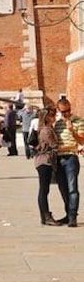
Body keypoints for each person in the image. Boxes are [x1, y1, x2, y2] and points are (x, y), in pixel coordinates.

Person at [54, 97, 84, 227]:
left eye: (68, 111)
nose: (66, 113)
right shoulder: (58, 123)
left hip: (71, 158)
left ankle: (73, 216)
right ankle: (67, 213)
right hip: (58, 159)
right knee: (62, 188)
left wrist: (72, 131)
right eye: (63, 111)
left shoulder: (78, 121)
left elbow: (81, 140)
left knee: (72, 188)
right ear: (59, 110)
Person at [33, 107, 63, 226]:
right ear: (47, 117)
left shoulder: (47, 128)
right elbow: (54, 145)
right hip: (45, 161)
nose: (55, 117)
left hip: (45, 161)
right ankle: (46, 215)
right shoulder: (46, 130)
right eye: (53, 115)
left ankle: (45, 216)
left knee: (44, 190)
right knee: (44, 190)